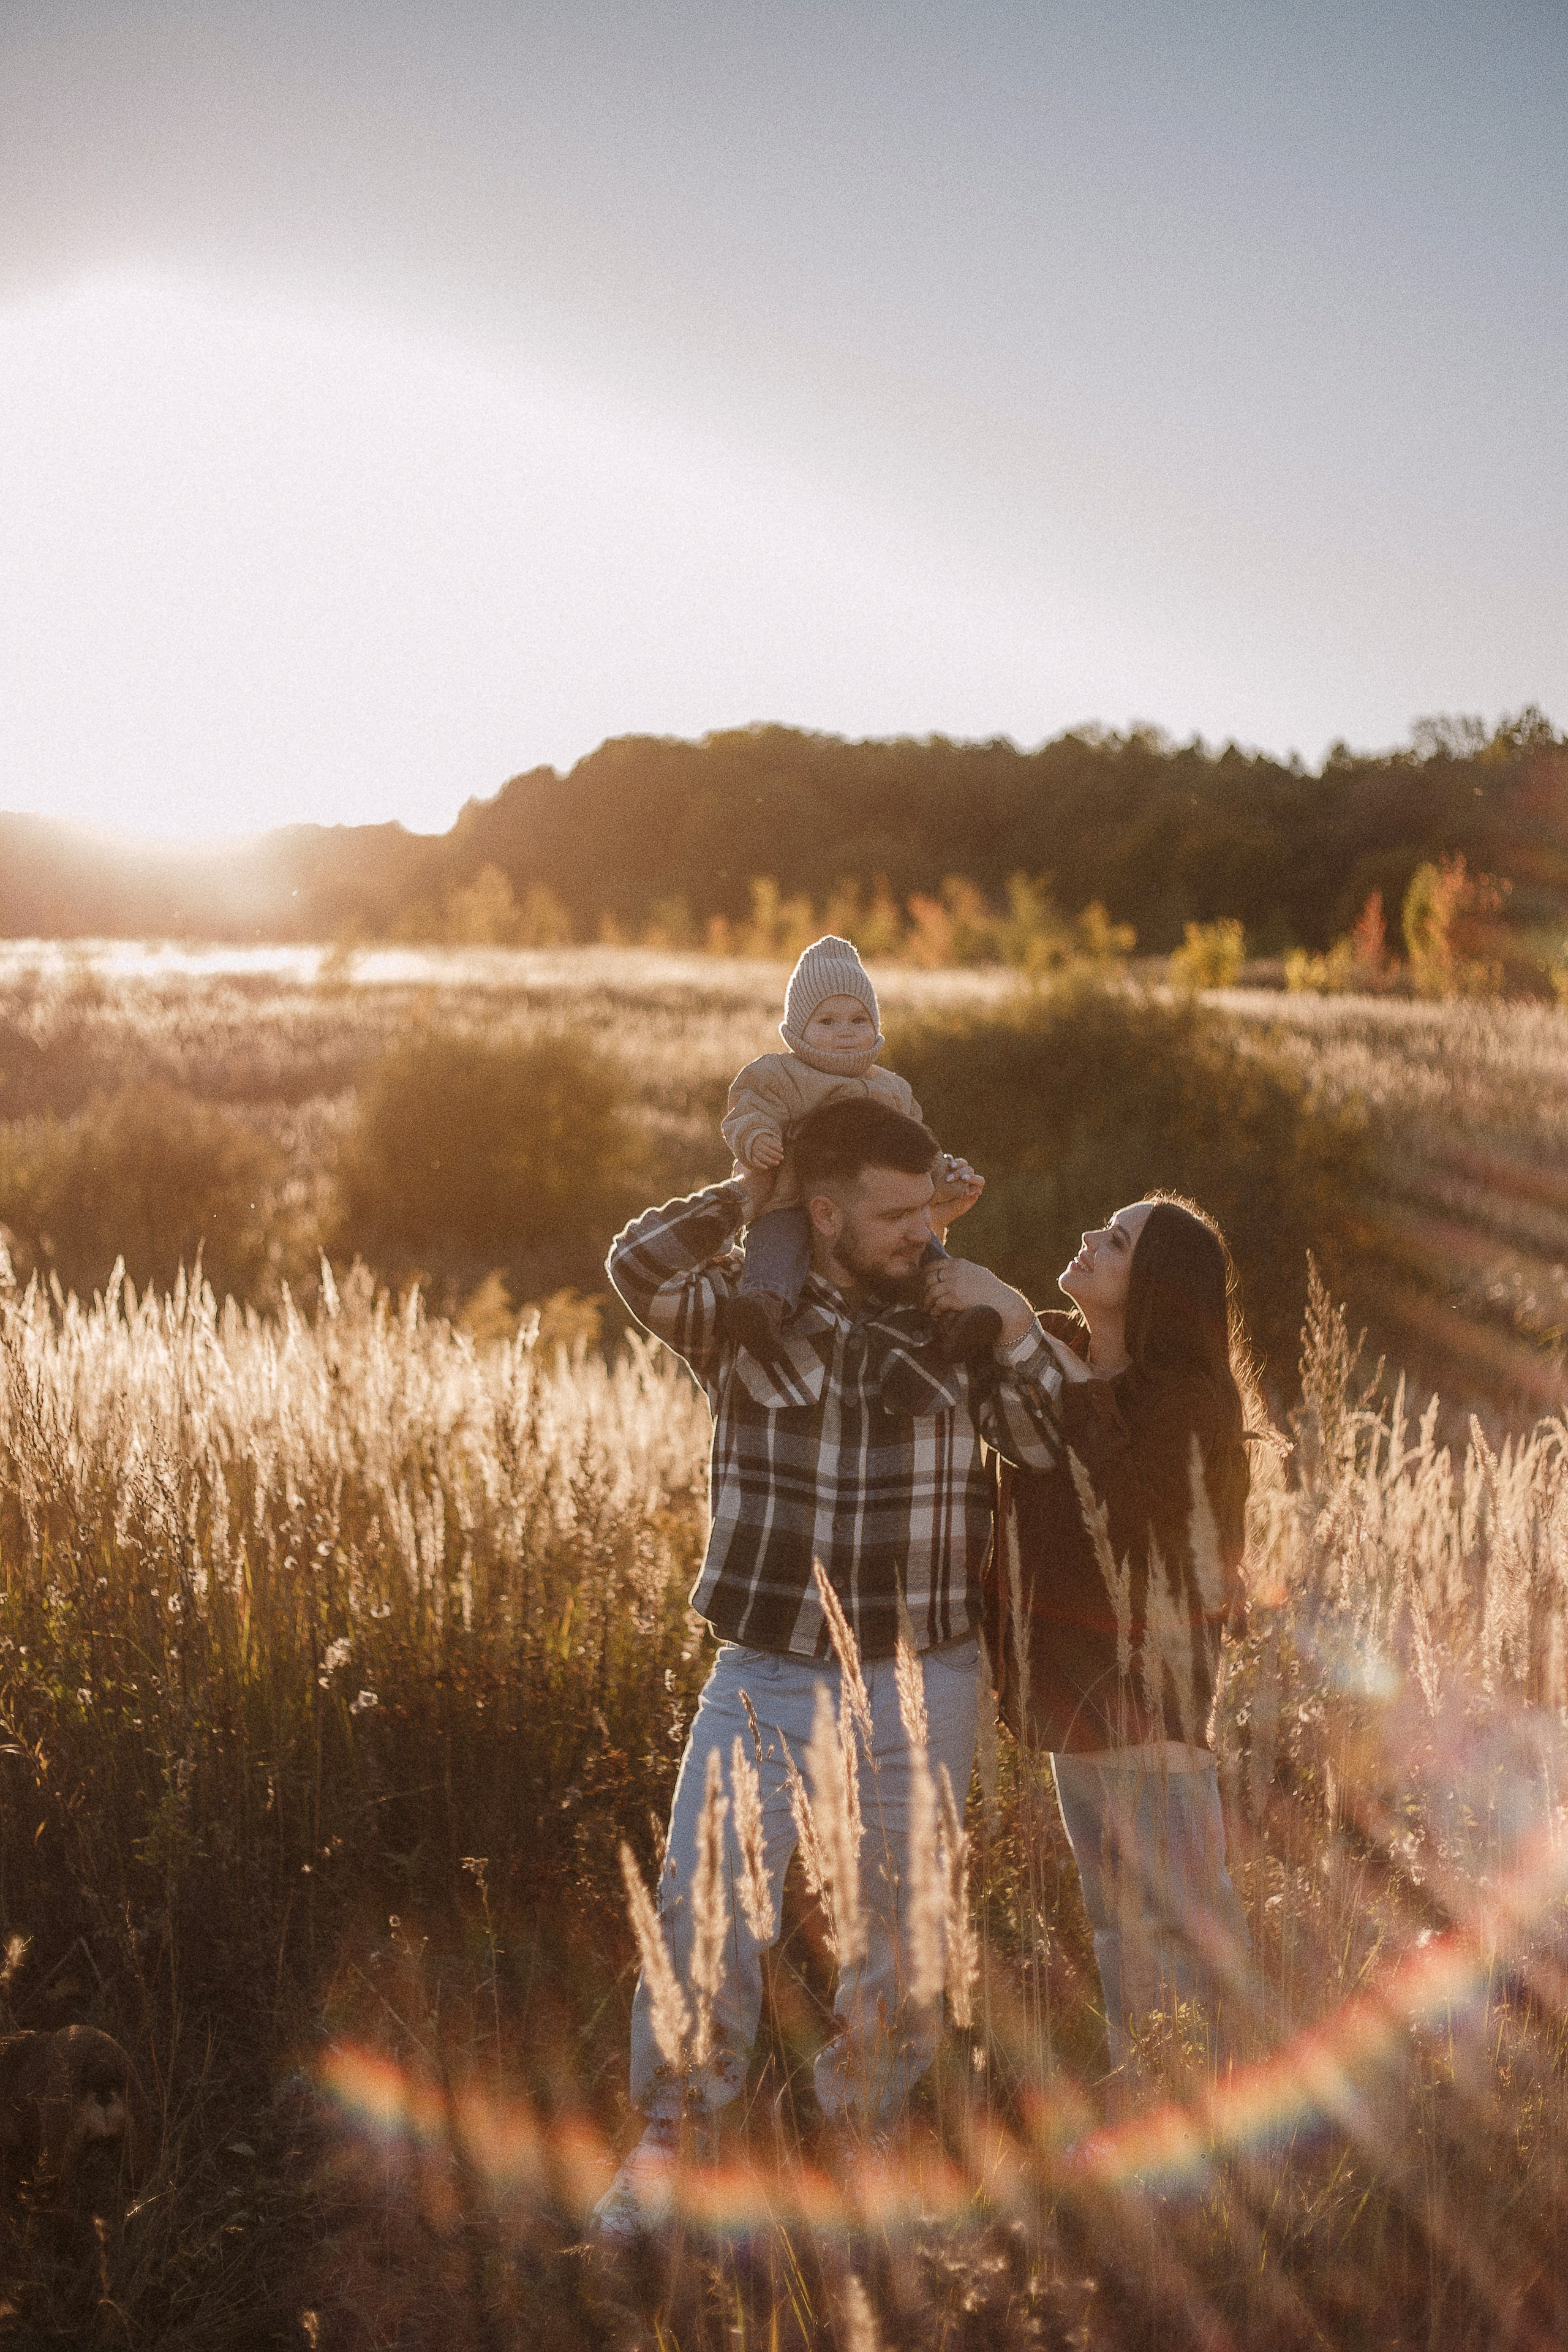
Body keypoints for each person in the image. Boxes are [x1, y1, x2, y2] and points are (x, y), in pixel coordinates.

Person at [595, 1096, 1065, 2237]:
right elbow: (636, 1264)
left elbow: (1045, 1440)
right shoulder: (750, 1314)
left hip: (927, 1673)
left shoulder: (954, 1312)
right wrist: (748, 1197)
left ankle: (864, 2137)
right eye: (898, 1213)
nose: (925, 1230)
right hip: (768, 1668)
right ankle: (674, 2140)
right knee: (706, 1904)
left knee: (902, 1924)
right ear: (825, 1212)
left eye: (929, 1207)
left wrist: (1007, 1318)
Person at [984, 1195, 1254, 2076]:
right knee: (1112, 1924)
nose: (1090, 1242)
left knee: (1183, 1924)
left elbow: (1133, 1518)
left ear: (1156, 1286)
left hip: (1155, 1705)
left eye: (1117, 1241)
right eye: (1098, 1225)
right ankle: (1145, 2096)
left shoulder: (1188, 1402)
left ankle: (1218, 2108)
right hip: (1074, 1694)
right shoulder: (1047, 1352)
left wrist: (1071, 1378)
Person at [720, 933, 1001, 1365]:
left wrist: (941, 1176)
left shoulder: (891, 1088)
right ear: (798, 1029)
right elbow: (748, 1111)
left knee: (925, 1249)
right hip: (791, 1197)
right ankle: (762, 1312)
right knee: (777, 1249)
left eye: (858, 1020)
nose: (845, 1033)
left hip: (877, 1208)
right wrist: (757, 1139)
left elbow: (915, 1147)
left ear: (875, 1025)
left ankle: (957, 1321)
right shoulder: (780, 1074)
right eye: (827, 1022)